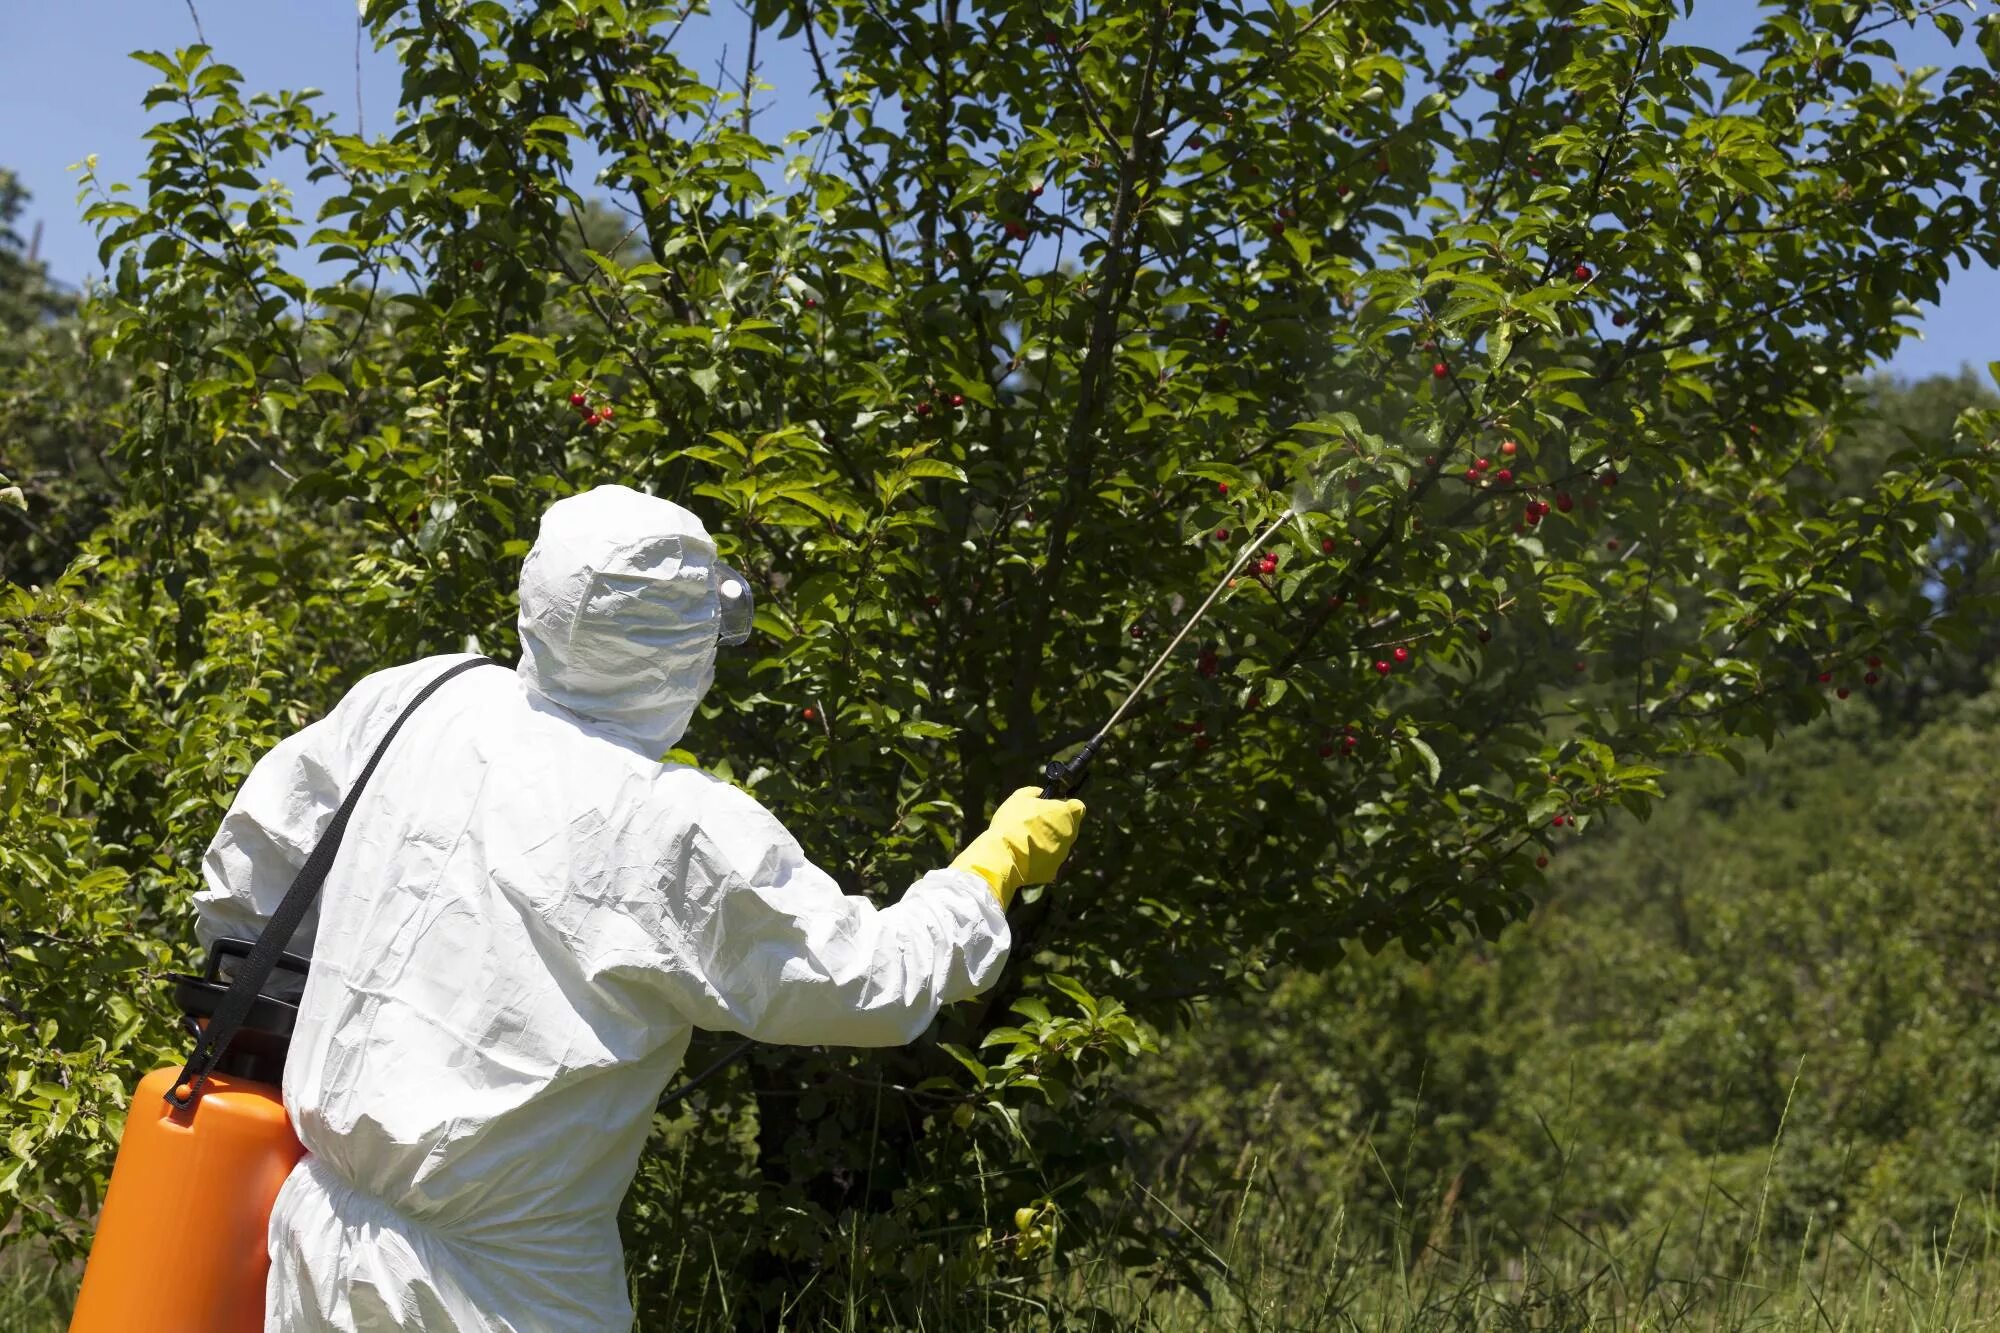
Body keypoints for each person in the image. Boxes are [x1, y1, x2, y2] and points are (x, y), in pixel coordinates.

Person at [193, 484, 1086, 1332]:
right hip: (505, 1293)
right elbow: (873, 982)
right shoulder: (672, 825)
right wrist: (988, 871)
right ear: (683, 651)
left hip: (317, 1235)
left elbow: (251, 874)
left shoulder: (428, 697)